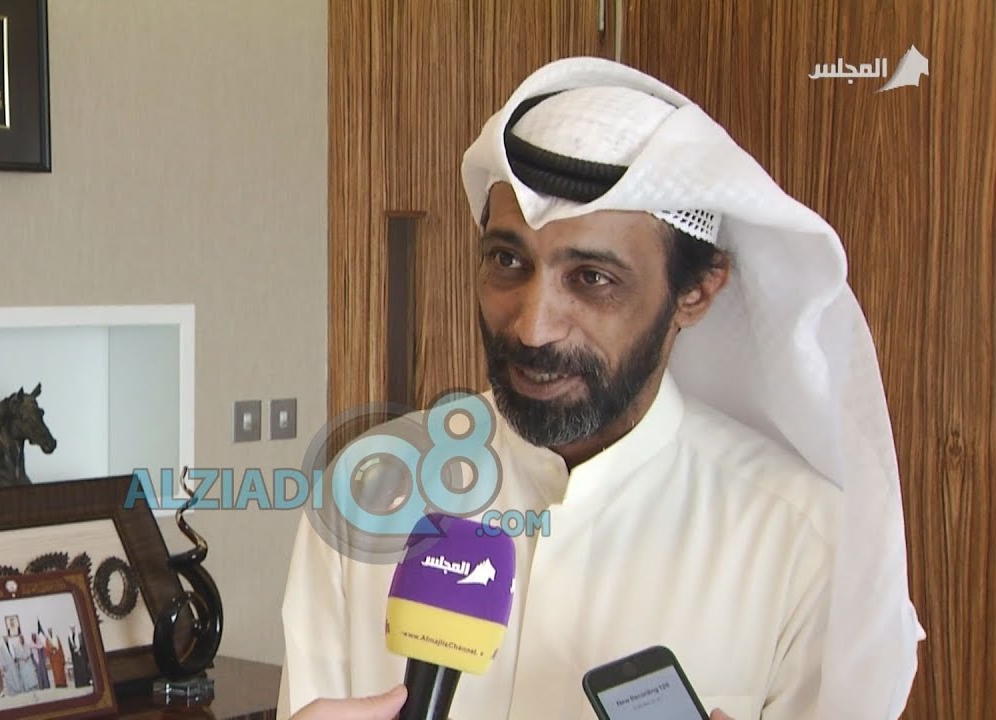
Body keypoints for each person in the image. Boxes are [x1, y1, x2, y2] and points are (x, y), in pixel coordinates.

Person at [278, 56, 923, 719]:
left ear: (697, 292)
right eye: (507, 261)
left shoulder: (804, 542)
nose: (533, 327)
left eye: (592, 278)